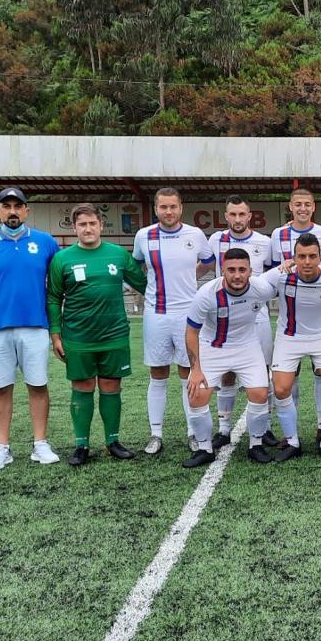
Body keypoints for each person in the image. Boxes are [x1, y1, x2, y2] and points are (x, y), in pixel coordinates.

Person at [0, 187, 60, 470]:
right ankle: (2, 448)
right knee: (0, 388)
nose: (12, 211)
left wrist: (57, 329)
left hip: (35, 326)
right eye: (6, 206)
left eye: (18, 206)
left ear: (26, 210)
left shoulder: (45, 242)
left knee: (38, 385)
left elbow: (57, 287)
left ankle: (40, 444)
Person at [47, 203, 147, 466]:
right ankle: (81, 445)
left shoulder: (118, 254)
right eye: (82, 224)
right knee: (82, 387)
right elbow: (54, 298)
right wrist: (55, 335)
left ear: (101, 225)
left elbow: (146, 285)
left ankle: (113, 441)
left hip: (114, 334)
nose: (88, 228)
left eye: (92, 223)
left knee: (111, 386)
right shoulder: (62, 259)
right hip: (78, 337)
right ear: (74, 228)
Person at [131, 188, 213, 456]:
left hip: (188, 314)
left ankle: (192, 432)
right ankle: (156, 434)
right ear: (156, 208)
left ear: (181, 208)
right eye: (163, 207)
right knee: (158, 373)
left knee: (188, 373)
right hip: (156, 314)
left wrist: (191, 276)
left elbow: (208, 262)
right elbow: (136, 265)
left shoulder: (195, 234)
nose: (168, 211)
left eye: (173, 207)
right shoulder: (144, 235)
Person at [182, 249, 280, 467]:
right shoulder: (206, 294)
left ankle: (256, 445)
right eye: (231, 270)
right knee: (196, 394)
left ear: (250, 271)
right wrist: (195, 370)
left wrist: (289, 264)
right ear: (222, 271)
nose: (237, 275)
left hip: (247, 347)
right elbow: (191, 331)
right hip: (213, 347)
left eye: (242, 270)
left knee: (260, 393)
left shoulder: (261, 288)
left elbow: (279, 274)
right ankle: (204, 448)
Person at [262, 234, 321, 461]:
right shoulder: (281, 275)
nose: (307, 261)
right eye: (301, 256)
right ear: (293, 258)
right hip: (289, 337)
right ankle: (292, 442)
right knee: (281, 389)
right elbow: (255, 286)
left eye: (312, 256)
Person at [207, 194, 275, 447]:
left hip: (258, 315)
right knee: (227, 374)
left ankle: (266, 427)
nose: (237, 219)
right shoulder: (215, 240)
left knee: (264, 371)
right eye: (233, 214)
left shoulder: (265, 242)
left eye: (242, 214)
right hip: (225, 317)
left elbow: (272, 275)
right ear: (226, 216)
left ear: (249, 216)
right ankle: (224, 429)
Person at [271, 186, 321, 439]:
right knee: (290, 376)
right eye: (297, 204)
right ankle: (292, 433)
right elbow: (273, 272)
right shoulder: (278, 234)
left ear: (313, 207)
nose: (302, 208)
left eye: (307, 204)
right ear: (290, 206)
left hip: (320, 315)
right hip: (290, 318)